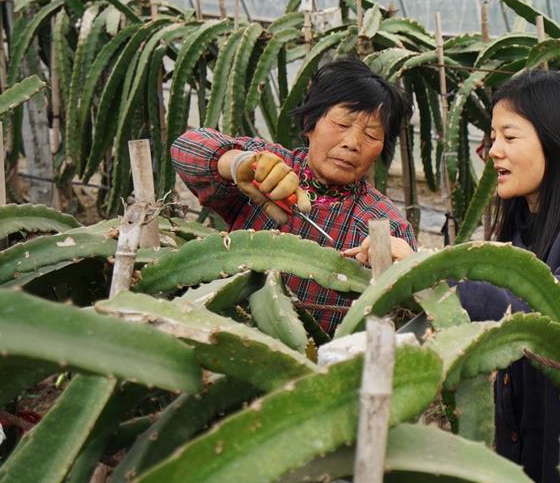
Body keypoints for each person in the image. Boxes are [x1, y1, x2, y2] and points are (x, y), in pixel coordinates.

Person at [345, 69, 560, 483]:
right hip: (538, 457)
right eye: (492, 137)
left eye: (509, 137)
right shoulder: (526, 224)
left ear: (556, 140)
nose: (493, 151)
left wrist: (429, 271)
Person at [171, 58, 416, 335]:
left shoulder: (385, 223)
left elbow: (410, 319)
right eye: (341, 124)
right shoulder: (268, 164)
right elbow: (186, 147)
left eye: (372, 135)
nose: (353, 143)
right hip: (225, 342)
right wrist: (235, 163)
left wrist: (409, 272)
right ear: (310, 123)